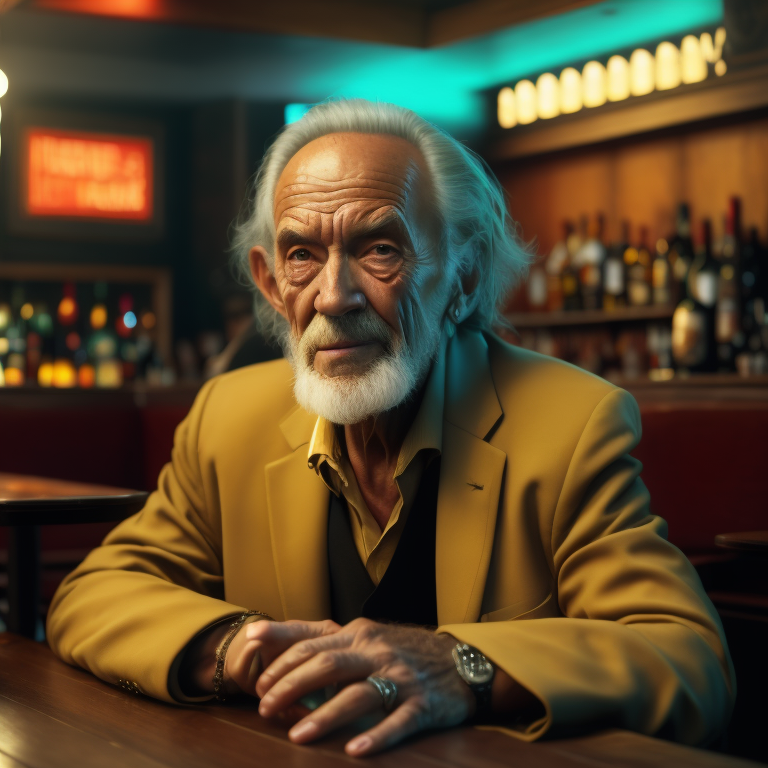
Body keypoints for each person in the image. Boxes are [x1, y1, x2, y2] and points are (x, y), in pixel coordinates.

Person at [47, 100, 734, 758]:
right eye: (301, 256)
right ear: (269, 284)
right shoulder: (227, 418)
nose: (334, 296)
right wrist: (239, 650)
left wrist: (463, 668)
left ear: (461, 277)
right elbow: (90, 594)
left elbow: (689, 661)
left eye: (379, 249)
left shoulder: (572, 423)